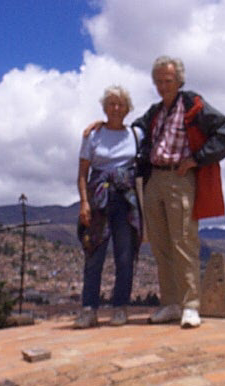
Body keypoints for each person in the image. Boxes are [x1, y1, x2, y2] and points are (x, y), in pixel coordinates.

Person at [132, 55, 225, 328]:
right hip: (155, 179)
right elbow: (135, 131)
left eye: (168, 80)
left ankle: (190, 305)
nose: (163, 86)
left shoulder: (192, 104)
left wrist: (198, 158)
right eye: (159, 81)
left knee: (184, 241)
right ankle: (171, 303)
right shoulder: (155, 112)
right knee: (160, 245)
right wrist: (104, 127)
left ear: (179, 80)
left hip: (180, 178)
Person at [74, 85, 143, 329]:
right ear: (104, 108)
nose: (115, 108)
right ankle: (89, 309)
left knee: (125, 256)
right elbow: (82, 174)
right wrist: (84, 202)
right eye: (111, 104)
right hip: (98, 201)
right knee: (94, 254)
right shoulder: (92, 136)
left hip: (126, 201)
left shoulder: (136, 135)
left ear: (127, 109)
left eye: (120, 104)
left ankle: (120, 308)